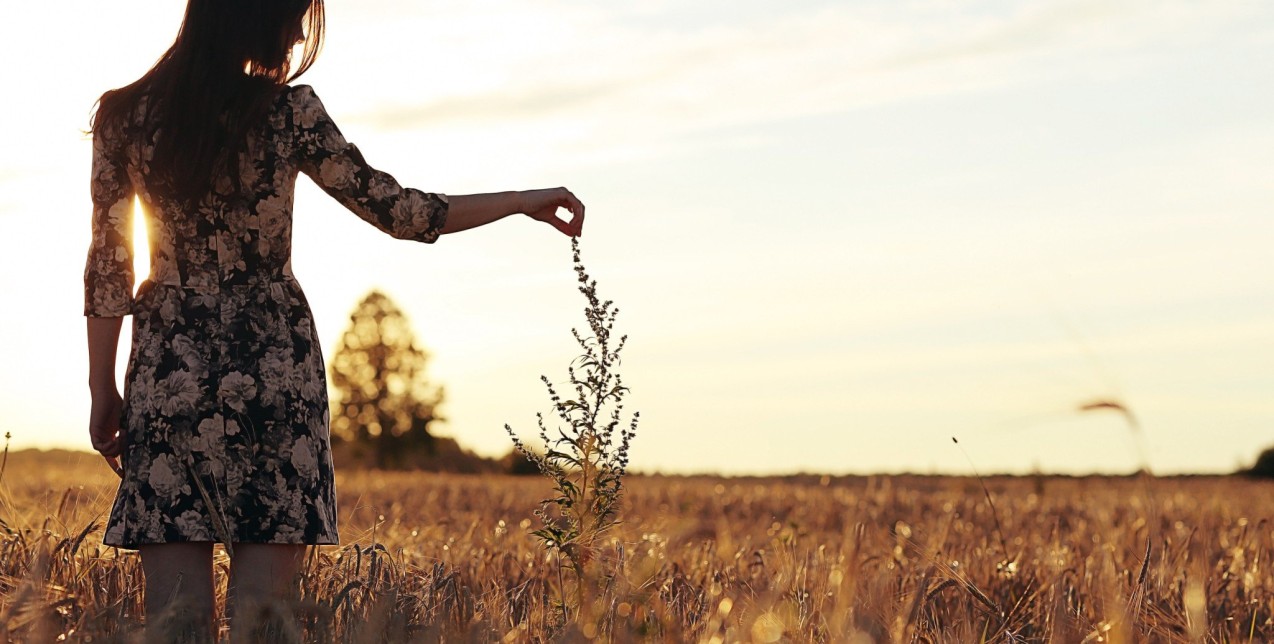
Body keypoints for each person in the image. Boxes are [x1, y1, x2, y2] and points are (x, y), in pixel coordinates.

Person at [84, 0, 584, 639]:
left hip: (169, 369)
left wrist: (104, 387)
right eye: (293, 14)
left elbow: (109, 263)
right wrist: (519, 200)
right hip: (274, 374)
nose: (297, 32)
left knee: (173, 624)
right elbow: (399, 211)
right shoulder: (288, 112)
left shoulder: (125, 116)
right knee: (266, 623)